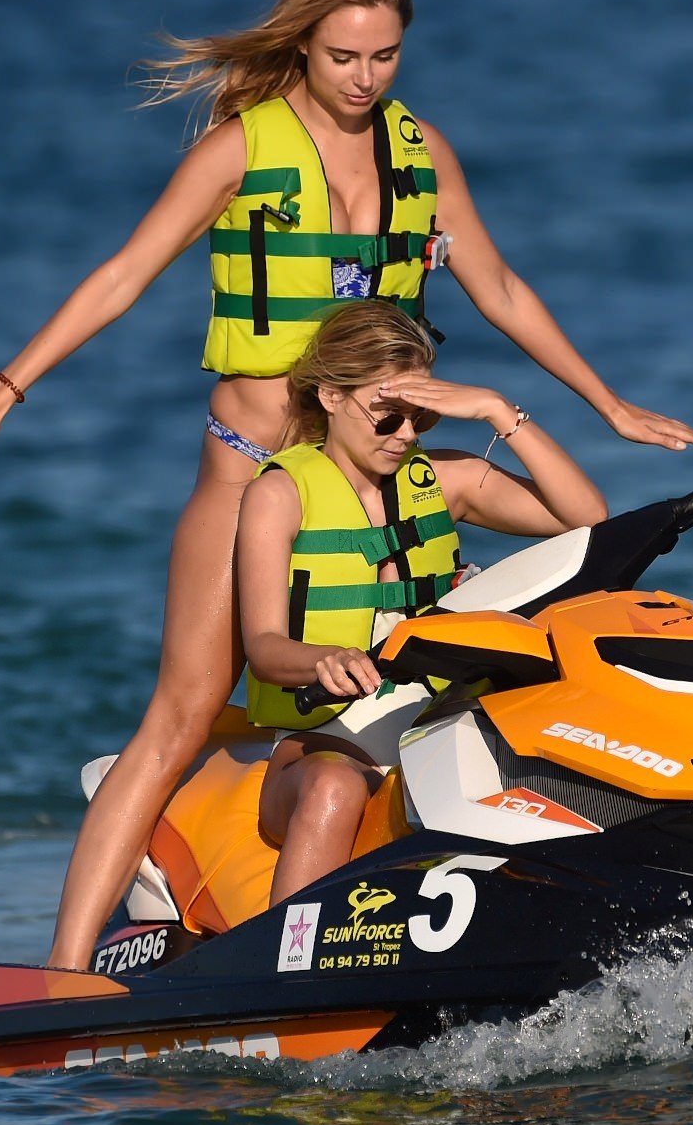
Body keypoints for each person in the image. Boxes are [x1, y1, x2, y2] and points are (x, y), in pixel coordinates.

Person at [0, 0, 693, 971]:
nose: (363, 79)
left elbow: (498, 288)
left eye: (383, 57)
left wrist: (606, 403)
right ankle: (61, 978)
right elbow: (123, 273)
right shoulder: (242, 148)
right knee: (182, 714)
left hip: (370, 475)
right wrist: (4, 390)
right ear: (304, 43)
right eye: (341, 57)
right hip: (249, 472)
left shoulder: (421, 152)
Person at [240, 301, 606, 902]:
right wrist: (324, 658)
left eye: (422, 418)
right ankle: (282, 970)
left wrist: (495, 410)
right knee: (335, 790)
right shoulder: (281, 493)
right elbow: (265, 649)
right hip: (332, 737)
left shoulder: (444, 481)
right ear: (331, 397)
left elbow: (586, 517)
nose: (406, 434)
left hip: (444, 724)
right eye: (388, 416)